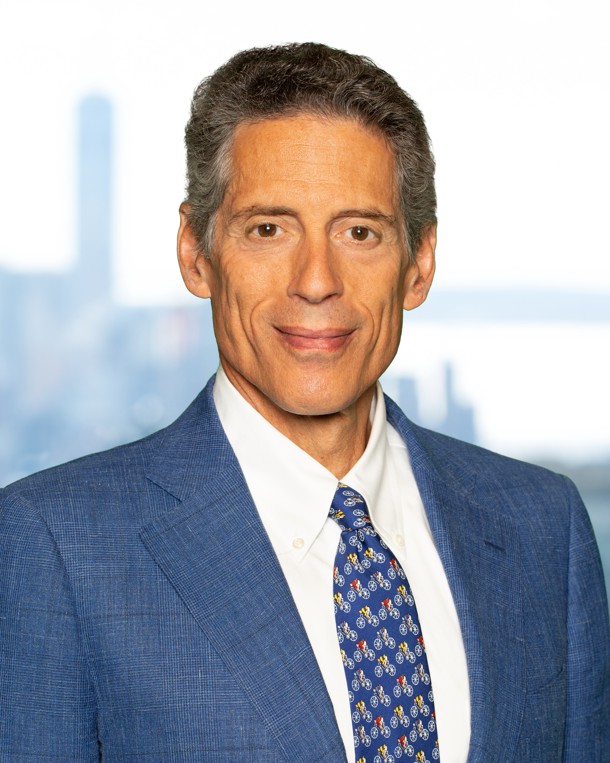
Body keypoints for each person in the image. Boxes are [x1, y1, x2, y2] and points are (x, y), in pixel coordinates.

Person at [0, 42, 608, 763]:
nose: (316, 280)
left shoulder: (544, 527)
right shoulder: (54, 544)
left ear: (418, 264)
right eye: (269, 229)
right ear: (196, 253)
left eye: (359, 232)